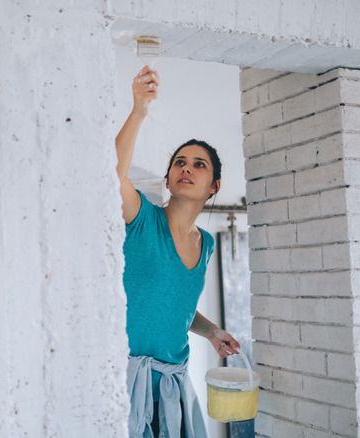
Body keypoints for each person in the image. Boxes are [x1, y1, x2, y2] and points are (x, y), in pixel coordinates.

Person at [117, 65, 241, 438]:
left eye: (198, 164)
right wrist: (139, 109)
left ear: (214, 185)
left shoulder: (206, 246)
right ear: (168, 179)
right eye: (179, 163)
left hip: (173, 385)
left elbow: (175, 307)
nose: (186, 168)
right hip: (126, 381)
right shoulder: (141, 218)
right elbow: (112, 174)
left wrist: (211, 331)